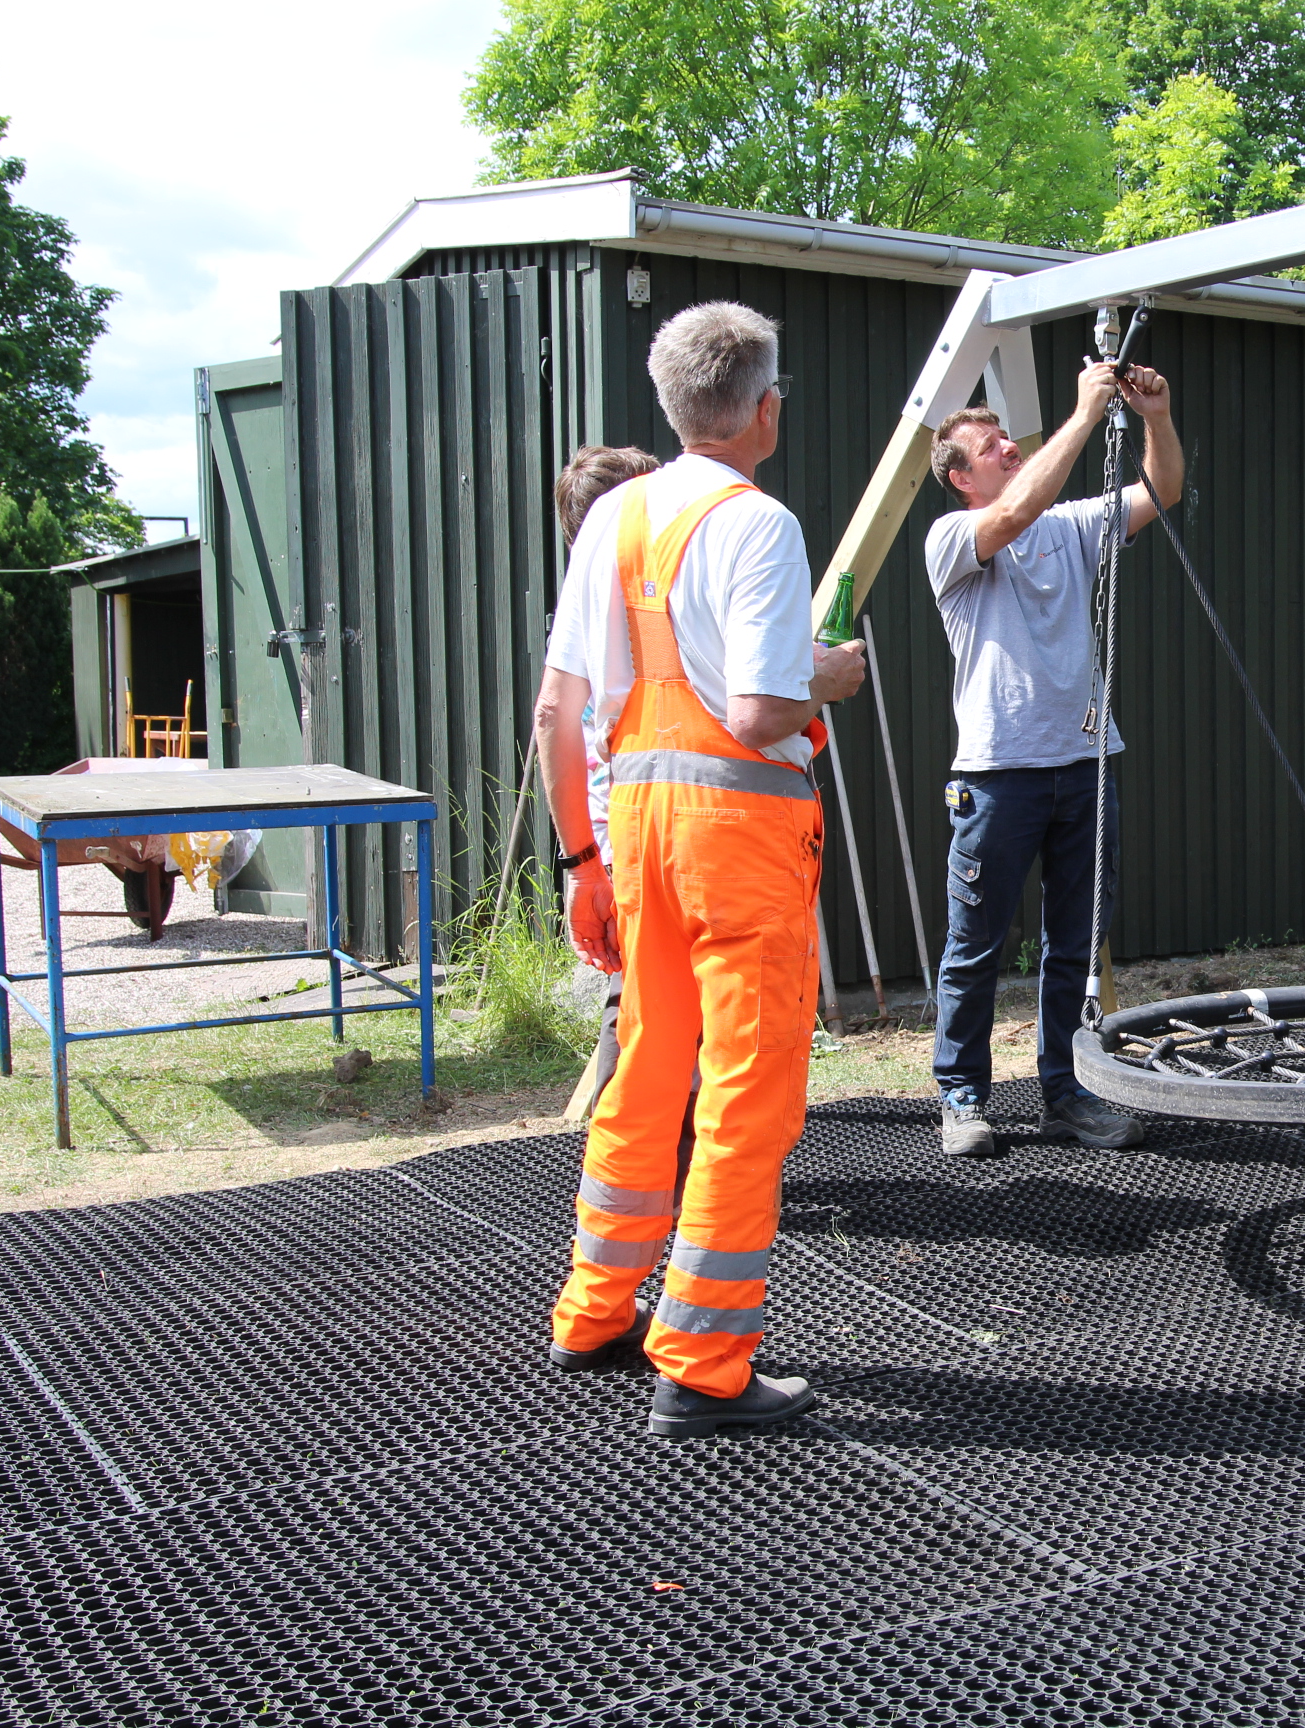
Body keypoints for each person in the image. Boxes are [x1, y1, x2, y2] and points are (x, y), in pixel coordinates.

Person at [535, 303, 866, 1437]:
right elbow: (762, 708)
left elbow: (558, 711)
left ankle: (595, 1311)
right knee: (746, 1091)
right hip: (739, 836)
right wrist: (834, 674)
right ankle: (705, 1363)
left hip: (637, 829)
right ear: (766, 409)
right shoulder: (758, 523)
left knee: (650, 1065)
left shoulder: (610, 518)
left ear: (674, 404)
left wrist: (581, 859)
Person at [923, 357, 1183, 1157]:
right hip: (997, 777)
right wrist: (1082, 415)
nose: (1008, 447)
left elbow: (1162, 491)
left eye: (1008, 437)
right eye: (990, 446)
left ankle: (1064, 1095)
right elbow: (1014, 513)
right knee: (975, 949)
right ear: (961, 478)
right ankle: (962, 1097)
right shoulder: (954, 538)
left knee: (1074, 947)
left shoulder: (1070, 525)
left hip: (1084, 765)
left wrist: (1157, 418)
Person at [536, 445, 668, 1140]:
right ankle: (634, 1166)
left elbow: (552, 718)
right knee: (647, 1007)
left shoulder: (588, 602)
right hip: (639, 829)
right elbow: (552, 718)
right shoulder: (629, 599)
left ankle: (637, 1167)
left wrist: (582, 863)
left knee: (643, 1002)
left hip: (618, 836)